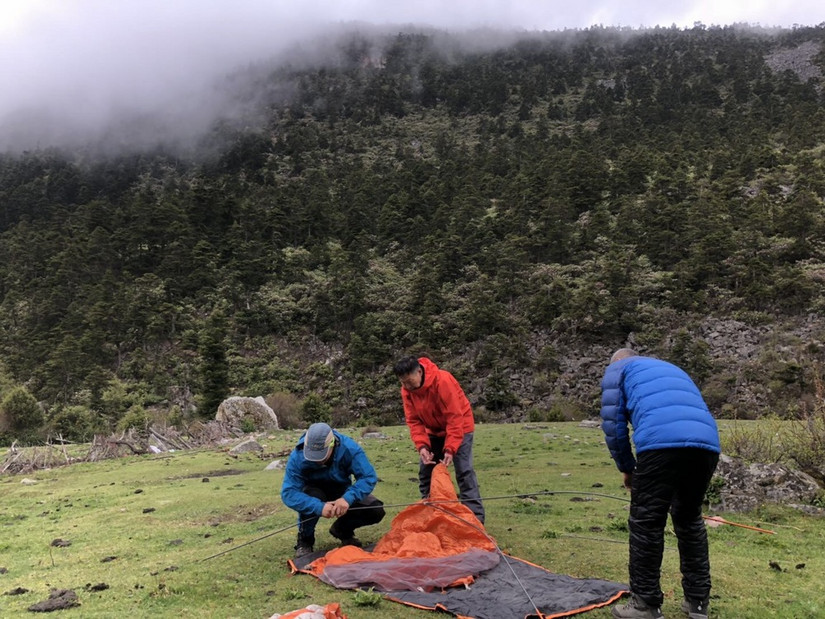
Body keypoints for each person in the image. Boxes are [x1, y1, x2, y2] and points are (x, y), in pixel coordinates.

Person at [600, 348, 721, 619]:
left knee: (647, 522)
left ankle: (645, 604)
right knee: (689, 519)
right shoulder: (672, 368)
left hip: (660, 445)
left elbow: (613, 426)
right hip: (706, 445)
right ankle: (698, 602)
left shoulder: (618, 369)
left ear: (617, 361)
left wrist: (627, 468)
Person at [393, 356, 484, 523]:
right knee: (426, 471)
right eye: (403, 383)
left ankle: (475, 519)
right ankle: (431, 514)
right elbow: (414, 420)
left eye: (409, 381)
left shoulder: (443, 380)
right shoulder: (407, 391)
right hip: (433, 430)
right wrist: (422, 446)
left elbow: (454, 417)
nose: (407, 386)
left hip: (460, 426)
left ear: (419, 372)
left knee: (464, 471)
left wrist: (450, 448)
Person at [281, 422, 385, 558]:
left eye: (321, 454)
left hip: (342, 490)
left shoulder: (349, 448)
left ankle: (342, 530)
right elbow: (289, 493)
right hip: (314, 492)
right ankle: (305, 541)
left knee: (375, 509)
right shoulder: (297, 456)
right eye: (312, 455)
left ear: (332, 444)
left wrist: (347, 498)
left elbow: (368, 477)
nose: (317, 460)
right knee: (310, 498)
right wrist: (318, 507)